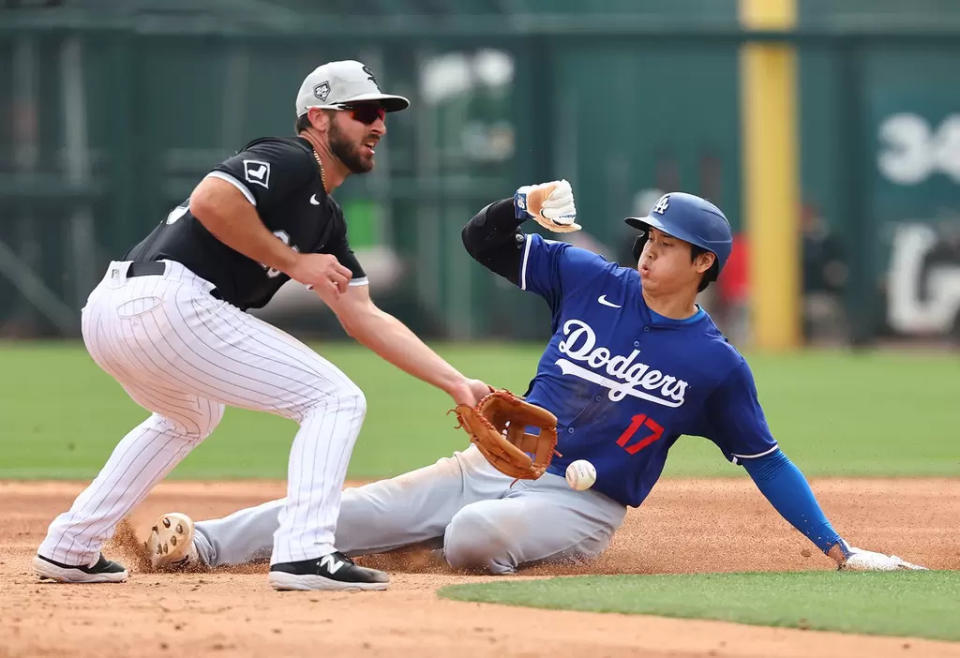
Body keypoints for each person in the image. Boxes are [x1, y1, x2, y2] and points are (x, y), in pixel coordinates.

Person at [145, 183, 924, 575]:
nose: (650, 250)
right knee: (349, 509)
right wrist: (518, 203)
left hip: (579, 504)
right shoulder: (590, 278)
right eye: (648, 237)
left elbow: (768, 461)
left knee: (472, 538)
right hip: (488, 462)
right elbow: (482, 241)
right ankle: (201, 545)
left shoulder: (716, 365)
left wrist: (839, 549)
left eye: (669, 243)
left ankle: (423, 551)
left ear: (704, 263)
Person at [33, 59, 489, 591]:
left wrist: (454, 382)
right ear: (319, 118)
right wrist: (294, 263)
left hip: (121, 310)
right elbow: (212, 199)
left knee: (191, 416)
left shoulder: (326, 221)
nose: (380, 125)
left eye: (383, 114)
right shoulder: (291, 158)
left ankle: (70, 547)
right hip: (167, 302)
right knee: (335, 400)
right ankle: (303, 553)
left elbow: (364, 316)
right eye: (364, 111)